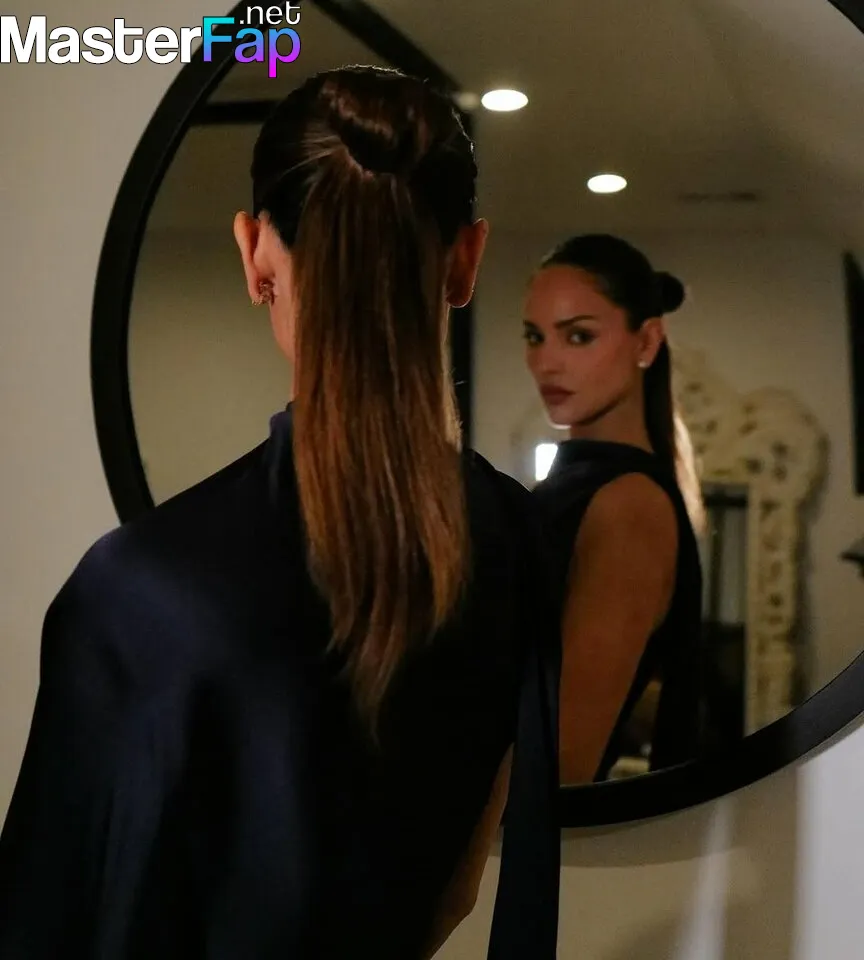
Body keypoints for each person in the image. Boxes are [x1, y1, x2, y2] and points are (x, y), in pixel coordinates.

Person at [0, 66, 559, 959]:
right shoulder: (517, 539)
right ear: (466, 259)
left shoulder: (140, 591)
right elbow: (457, 889)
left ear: (256, 254)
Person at [523, 233, 705, 785]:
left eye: (578, 336)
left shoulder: (629, 505)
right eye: (534, 336)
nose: (546, 362)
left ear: (646, 340)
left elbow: (563, 758)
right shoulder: (574, 485)